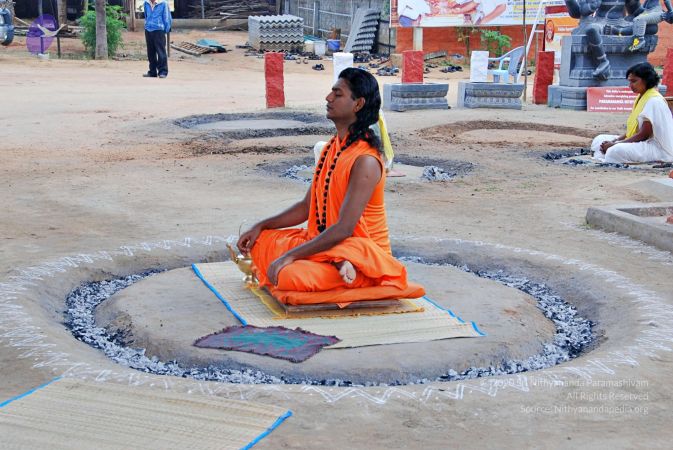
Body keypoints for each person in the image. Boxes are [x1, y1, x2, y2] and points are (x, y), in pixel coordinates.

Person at [237, 68, 424, 305]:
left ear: (358, 104)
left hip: (363, 255)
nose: (328, 98)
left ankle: (350, 269)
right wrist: (260, 226)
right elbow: (306, 207)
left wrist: (289, 256)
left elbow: (344, 228)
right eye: (331, 92)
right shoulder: (332, 147)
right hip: (329, 244)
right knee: (260, 240)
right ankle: (334, 262)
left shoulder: (365, 160)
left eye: (338, 94)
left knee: (289, 275)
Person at [592, 63, 673, 164]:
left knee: (615, 150)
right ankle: (608, 155)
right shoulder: (641, 97)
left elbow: (644, 135)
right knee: (599, 140)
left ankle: (609, 155)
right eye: (629, 81)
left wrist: (616, 144)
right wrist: (615, 140)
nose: (630, 85)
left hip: (656, 148)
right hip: (642, 142)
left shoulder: (654, 100)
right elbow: (634, 131)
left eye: (634, 81)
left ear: (647, 80)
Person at [143, 0, 172, 78]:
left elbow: (167, 17)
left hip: (159, 29)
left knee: (161, 52)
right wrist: (146, 25)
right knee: (150, 52)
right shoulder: (146, 3)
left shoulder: (163, 3)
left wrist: (165, 30)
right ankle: (152, 72)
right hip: (148, 29)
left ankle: (163, 72)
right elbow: (146, 15)